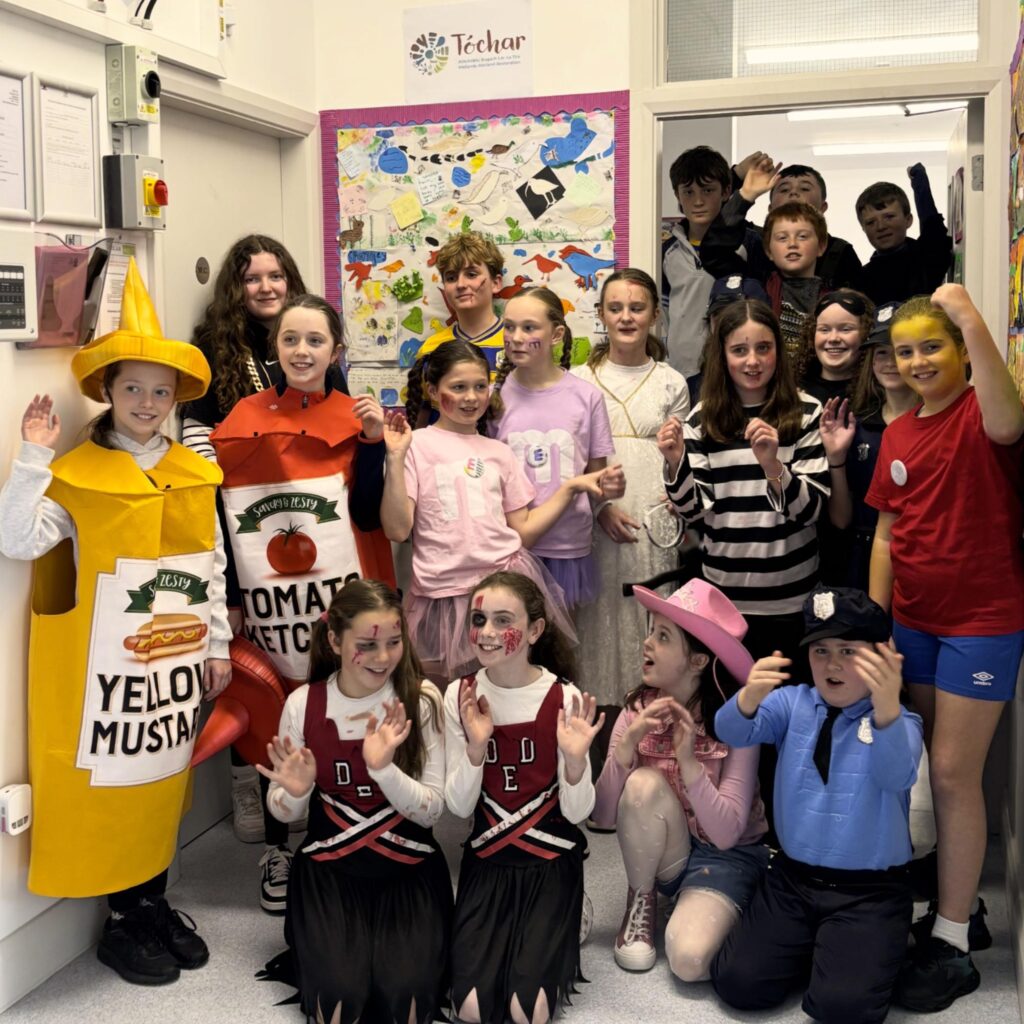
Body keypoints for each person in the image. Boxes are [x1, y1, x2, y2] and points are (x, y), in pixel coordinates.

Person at [0, 259, 231, 985]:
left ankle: (151, 901)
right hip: (104, 673)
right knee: (111, 784)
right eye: (132, 388)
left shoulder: (193, 471)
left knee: (161, 780)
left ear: (174, 399)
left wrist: (218, 643)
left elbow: (211, 564)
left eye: (160, 392)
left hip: (176, 664)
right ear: (107, 391)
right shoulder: (80, 474)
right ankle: (121, 921)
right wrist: (35, 454)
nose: (146, 402)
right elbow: (18, 539)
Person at [866, 285, 1024, 1012]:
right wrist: (880, 623)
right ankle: (960, 911)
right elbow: (890, 534)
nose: (919, 359)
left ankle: (953, 941)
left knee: (957, 775)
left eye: (933, 345)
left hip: (981, 621)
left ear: (961, 351)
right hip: (914, 623)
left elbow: (1009, 414)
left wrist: (967, 312)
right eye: (906, 350)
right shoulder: (898, 433)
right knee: (929, 770)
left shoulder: (983, 415)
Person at [210, 293, 394, 912]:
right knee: (273, 717)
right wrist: (234, 598)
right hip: (271, 605)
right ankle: (279, 848)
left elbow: (368, 513)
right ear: (275, 348)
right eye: (290, 339)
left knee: (346, 710)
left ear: (336, 351)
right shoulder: (240, 418)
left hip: (340, 598)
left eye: (315, 340)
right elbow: (226, 519)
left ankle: (353, 825)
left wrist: (372, 444)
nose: (302, 350)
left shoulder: (354, 417)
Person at [181, 234, 345, 857]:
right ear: (235, 287)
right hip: (243, 532)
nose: (267, 287)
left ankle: (321, 783)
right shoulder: (210, 351)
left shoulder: (314, 339)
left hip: (311, 534)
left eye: (276, 274)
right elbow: (202, 463)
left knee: (313, 664)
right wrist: (226, 576)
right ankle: (250, 780)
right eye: (252, 278)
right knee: (253, 668)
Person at [711, 586, 922, 1024]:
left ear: (882, 658)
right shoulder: (793, 704)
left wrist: (885, 708)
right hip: (793, 879)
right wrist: (748, 696)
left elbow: (895, 774)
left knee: (842, 1009)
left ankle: (874, 943)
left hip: (870, 891)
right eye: (820, 650)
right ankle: (827, 947)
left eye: (849, 650)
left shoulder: (900, 721)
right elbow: (730, 732)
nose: (832, 663)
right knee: (738, 983)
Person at [255, 580, 451, 1024]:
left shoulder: (421, 700)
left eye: (394, 642)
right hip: (329, 873)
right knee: (339, 1003)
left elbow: (434, 810)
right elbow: (282, 811)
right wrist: (297, 792)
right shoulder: (302, 704)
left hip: (410, 870)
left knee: (407, 1002)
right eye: (367, 644)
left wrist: (383, 769)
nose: (383, 657)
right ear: (334, 640)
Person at [384, 341, 612, 681]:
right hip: (443, 596)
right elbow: (398, 530)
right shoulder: (415, 446)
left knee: (508, 685)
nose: (472, 397)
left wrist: (570, 487)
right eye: (458, 387)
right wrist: (395, 457)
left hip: (502, 587)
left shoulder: (499, 452)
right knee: (449, 697)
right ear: (433, 391)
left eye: (480, 386)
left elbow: (522, 530)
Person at [444, 571, 603, 1024]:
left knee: (526, 1012)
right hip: (488, 861)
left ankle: (570, 912)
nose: (487, 633)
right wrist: (476, 749)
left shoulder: (565, 697)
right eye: (479, 619)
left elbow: (576, 812)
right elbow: (458, 808)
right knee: (470, 1010)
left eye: (503, 620)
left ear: (535, 630)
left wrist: (575, 763)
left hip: (549, 864)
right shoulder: (460, 694)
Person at [591, 579, 768, 981]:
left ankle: (726, 907)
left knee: (689, 962)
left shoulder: (738, 724)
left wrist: (689, 761)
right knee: (642, 784)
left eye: (664, 636)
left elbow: (725, 836)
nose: (648, 643)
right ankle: (642, 898)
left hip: (726, 858)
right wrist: (625, 749)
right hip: (670, 856)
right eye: (651, 631)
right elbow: (601, 817)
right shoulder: (635, 711)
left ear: (699, 661)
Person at [658, 299, 829, 661]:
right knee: (730, 710)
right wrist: (675, 464)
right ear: (722, 356)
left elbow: (812, 510)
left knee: (787, 708)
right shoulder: (703, 419)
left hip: (792, 603)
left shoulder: (807, 412)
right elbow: (693, 512)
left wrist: (773, 467)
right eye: (739, 350)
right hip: (723, 603)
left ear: (778, 353)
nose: (752, 361)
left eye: (763, 348)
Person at [571, 269, 690, 721]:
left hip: (654, 516)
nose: (626, 317)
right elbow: (574, 458)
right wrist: (600, 508)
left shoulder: (671, 381)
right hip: (596, 513)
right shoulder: (580, 378)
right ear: (601, 314)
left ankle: (651, 713)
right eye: (615, 308)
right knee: (598, 612)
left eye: (637, 308)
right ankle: (598, 724)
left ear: (655, 316)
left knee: (647, 607)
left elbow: (679, 460)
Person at [489, 286, 621, 608]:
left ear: (556, 333)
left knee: (559, 651)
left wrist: (610, 489)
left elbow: (597, 476)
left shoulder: (586, 397)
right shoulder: (492, 397)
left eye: (529, 327)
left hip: (567, 547)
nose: (516, 337)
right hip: (510, 549)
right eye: (509, 327)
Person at [819, 302, 918, 590]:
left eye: (900, 352)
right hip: (859, 558)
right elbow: (840, 519)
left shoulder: (934, 422)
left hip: (918, 557)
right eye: (881, 353)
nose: (889, 362)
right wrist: (835, 459)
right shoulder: (855, 426)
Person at [794, 289, 875, 585]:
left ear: (866, 334)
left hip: (861, 539)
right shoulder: (793, 393)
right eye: (824, 329)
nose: (833, 338)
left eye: (846, 329)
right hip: (803, 538)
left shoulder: (878, 395)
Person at [706, 159, 861, 290]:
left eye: (805, 188)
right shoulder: (755, 246)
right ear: (770, 209)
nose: (793, 193)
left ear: (822, 207)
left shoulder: (840, 252)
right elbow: (714, 253)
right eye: (784, 189)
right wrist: (746, 194)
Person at [411, 231, 506, 426]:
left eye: (471, 274)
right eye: (451, 277)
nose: (461, 284)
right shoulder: (432, 348)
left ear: (496, 283)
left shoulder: (516, 342)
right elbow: (421, 419)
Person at [661, 145, 735, 377]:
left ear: (725, 192)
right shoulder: (666, 251)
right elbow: (662, 314)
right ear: (677, 196)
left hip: (734, 368)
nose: (698, 201)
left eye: (707, 190)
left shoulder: (746, 244)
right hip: (682, 370)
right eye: (689, 192)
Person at [856, 164, 953, 305]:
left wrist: (919, 183)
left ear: (908, 220)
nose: (881, 226)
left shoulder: (925, 258)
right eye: (871, 222)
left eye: (889, 216)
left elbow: (933, 230)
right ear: (863, 229)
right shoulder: (862, 278)